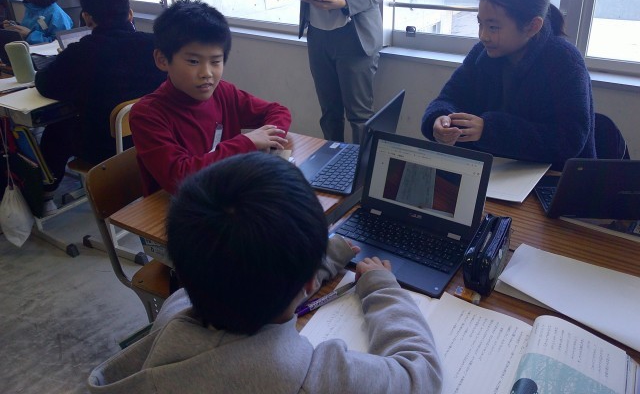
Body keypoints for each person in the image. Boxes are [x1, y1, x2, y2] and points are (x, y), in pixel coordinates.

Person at [87, 152, 443, 393]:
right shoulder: (307, 377)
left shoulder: (175, 309)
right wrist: (382, 288)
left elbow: (245, 273)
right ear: (307, 283)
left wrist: (321, 259)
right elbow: (420, 375)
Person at [421, 0, 595, 170]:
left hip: (553, 177)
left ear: (532, 26)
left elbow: (569, 140)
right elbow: (449, 97)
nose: (483, 36)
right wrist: (440, 119)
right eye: (480, 23)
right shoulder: (482, 53)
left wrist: (489, 130)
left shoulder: (564, 61)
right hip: (494, 170)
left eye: (493, 27)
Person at [130, 0, 292, 196]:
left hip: (228, 192)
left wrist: (269, 140)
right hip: (182, 205)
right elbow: (180, 177)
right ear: (162, 60)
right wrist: (246, 143)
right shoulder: (147, 115)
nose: (206, 73)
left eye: (215, 62)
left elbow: (278, 111)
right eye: (193, 61)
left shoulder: (223, 92)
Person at [34, 0, 166, 212]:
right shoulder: (157, 46)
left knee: (57, 128)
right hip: (156, 138)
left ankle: (44, 197)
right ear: (130, 13)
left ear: (87, 17)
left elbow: (44, 84)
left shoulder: (80, 53)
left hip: (105, 151)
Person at [278, 0, 391, 144]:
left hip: (354, 35)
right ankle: (332, 164)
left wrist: (345, 3)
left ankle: (361, 167)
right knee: (329, 114)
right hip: (318, 35)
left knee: (359, 117)